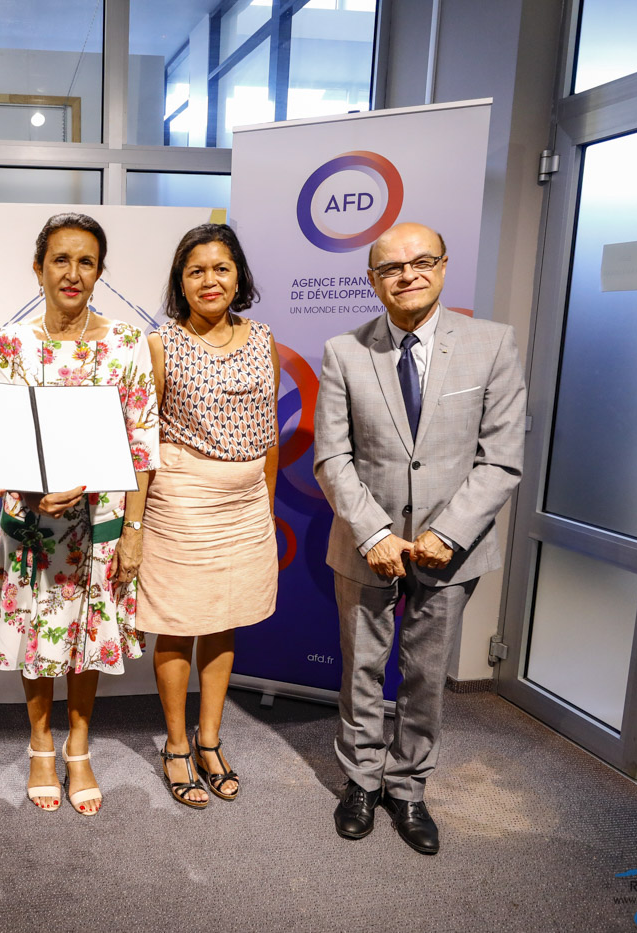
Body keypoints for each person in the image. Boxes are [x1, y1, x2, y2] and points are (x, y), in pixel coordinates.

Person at [314, 221, 525, 855]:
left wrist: (449, 533)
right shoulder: (344, 351)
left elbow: (501, 458)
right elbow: (332, 457)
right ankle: (361, 781)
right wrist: (374, 532)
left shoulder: (492, 344)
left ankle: (407, 786)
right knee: (361, 670)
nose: (407, 275)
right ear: (372, 280)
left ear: (443, 265)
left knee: (427, 675)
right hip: (365, 544)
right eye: (390, 268)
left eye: (421, 261)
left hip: (451, 550)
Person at [0, 212, 159, 815]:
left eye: (86, 262)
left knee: (88, 639)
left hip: (100, 528)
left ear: (100, 272)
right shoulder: (10, 344)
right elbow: (0, 440)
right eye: (61, 260)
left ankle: (78, 747)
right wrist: (31, 492)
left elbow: (141, 445)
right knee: (37, 637)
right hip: (32, 528)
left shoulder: (128, 343)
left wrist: (133, 531)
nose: (73, 273)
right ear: (38, 268)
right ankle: (39, 744)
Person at [140, 223, 279, 808]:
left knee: (225, 620)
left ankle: (209, 740)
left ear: (238, 275)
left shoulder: (262, 337)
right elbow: (142, 439)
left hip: (246, 504)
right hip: (183, 502)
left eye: (221, 268)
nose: (210, 280)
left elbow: (271, 432)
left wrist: (265, 504)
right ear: (181, 282)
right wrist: (135, 524)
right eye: (195, 270)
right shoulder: (161, 343)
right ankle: (176, 746)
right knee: (178, 623)